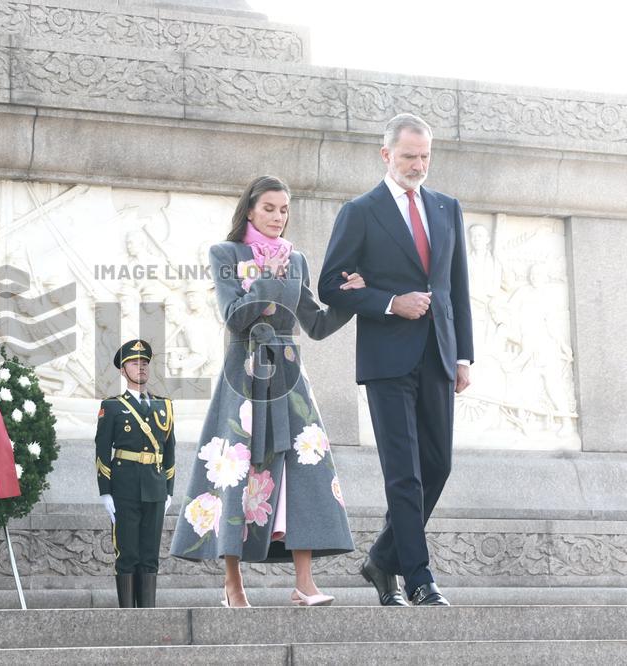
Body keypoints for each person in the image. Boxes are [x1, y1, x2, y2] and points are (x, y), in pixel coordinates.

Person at [170, 175, 364, 607]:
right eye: (270, 208)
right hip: (244, 375)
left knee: (304, 466)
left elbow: (314, 324)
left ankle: (305, 583)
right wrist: (265, 279)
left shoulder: (296, 259)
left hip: (291, 377)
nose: (278, 217)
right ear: (250, 210)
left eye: (284, 210)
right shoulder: (225, 254)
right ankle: (233, 584)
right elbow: (234, 316)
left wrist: (349, 301)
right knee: (235, 469)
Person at [318, 113, 474, 607]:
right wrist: (389, 302)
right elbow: (329, 285)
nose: (418, 165)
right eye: (409, 156)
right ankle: (418, 576)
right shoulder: (360, 211)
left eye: (425, 156)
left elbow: (457, 290)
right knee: (403, 472)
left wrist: (464, 355)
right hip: (387, 358)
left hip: (439, 355)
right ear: (387, 154)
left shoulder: (448, 207)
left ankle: (381, 560)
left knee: (439, 466)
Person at [95, 339, 176, 608]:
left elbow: (169, 452)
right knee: (127, 551)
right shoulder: (113, 406)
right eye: (134, 363)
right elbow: (102, 449)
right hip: (125, 487)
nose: (140, 367)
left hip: (154, 487)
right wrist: (105, 491)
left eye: (144, 363)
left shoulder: (164, 406)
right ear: (122, 370)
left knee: (150, 553)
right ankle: (129, 615)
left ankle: (148, 613)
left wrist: (170, 491)